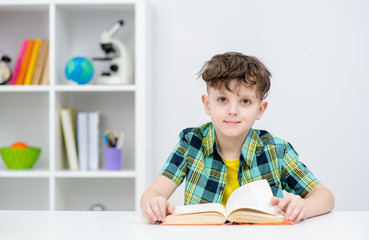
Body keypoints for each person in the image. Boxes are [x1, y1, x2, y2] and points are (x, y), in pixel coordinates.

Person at [140, 52, 334, 224]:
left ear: (260, 109)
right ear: (207, 105)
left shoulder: (276, 150)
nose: (233, 111)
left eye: (245, 101)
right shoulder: (191, 143)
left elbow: (325, 197)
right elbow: (153, 193)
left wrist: (303, 207)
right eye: (222, 99)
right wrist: (154, 203)